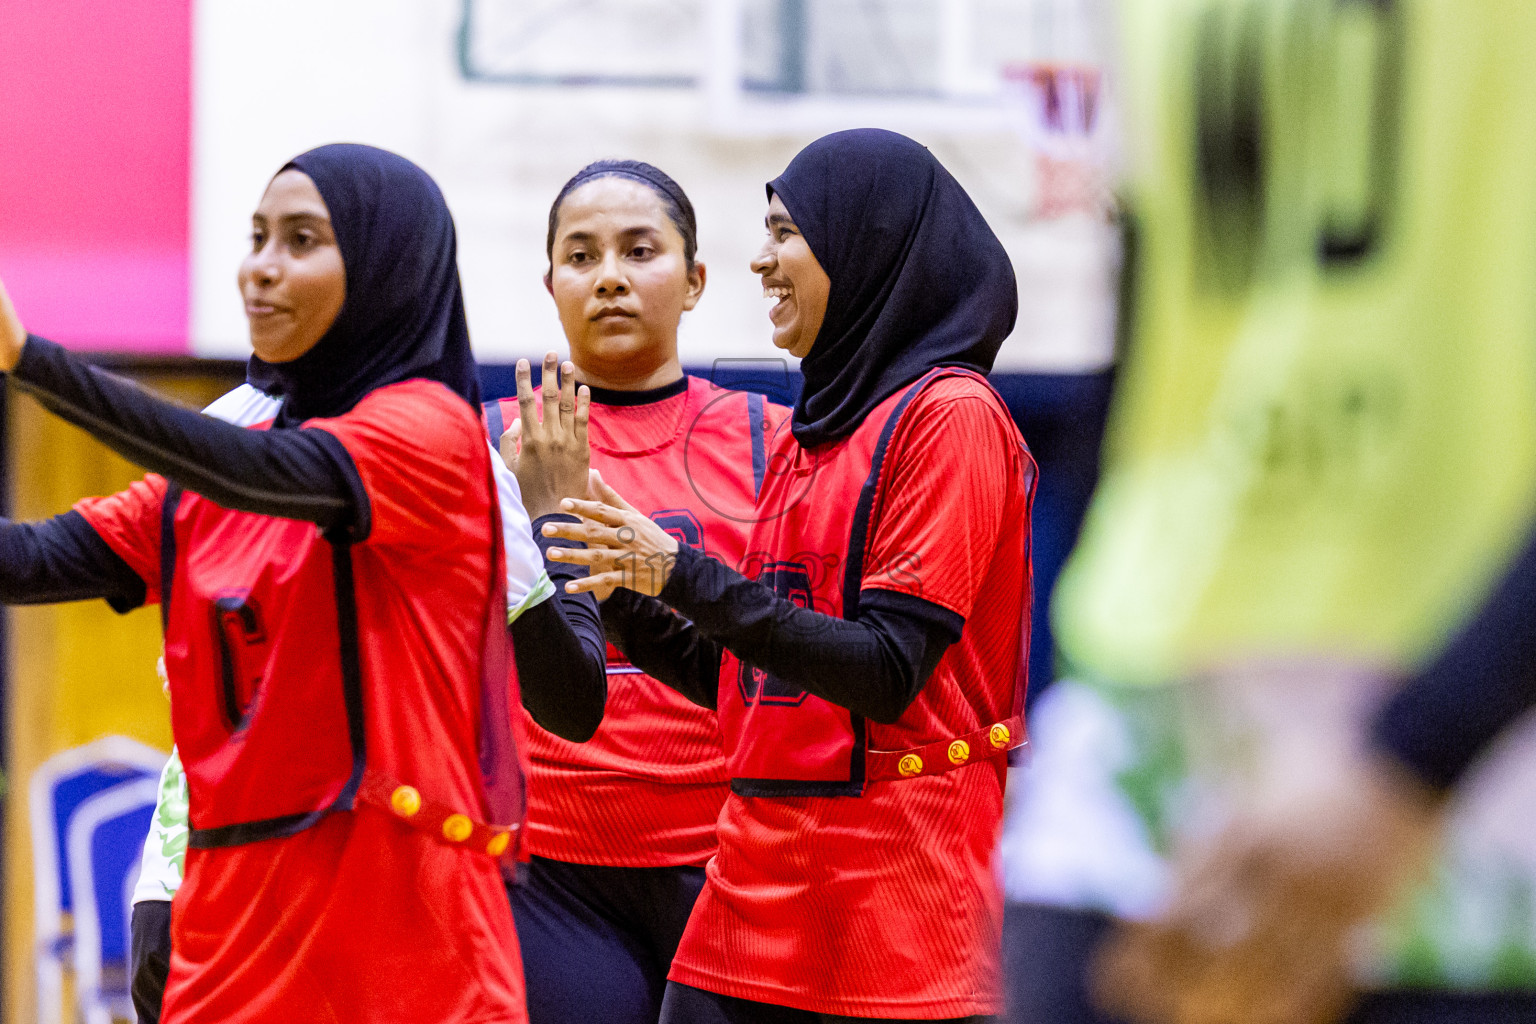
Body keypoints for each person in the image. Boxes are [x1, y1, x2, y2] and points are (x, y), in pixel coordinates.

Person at [0, 143, 602, 1023]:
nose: (262, 269)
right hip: (228, 919)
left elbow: (273, 475)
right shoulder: (228, 445)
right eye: (256, 237)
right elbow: (35, 558)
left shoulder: (429, 435)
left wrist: (28, 359)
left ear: (385, 267)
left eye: (302, 239)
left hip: (399, 920)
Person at [535, 129, 1038, 1022]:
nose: (761, 261)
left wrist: (676, 570)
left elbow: (885, 670)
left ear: (864, 244)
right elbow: (742, 680)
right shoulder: (820, 435)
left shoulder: (950, 416)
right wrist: (616, 582)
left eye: (786, 232)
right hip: (755, 881)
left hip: (893, 893)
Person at [488, 159, 787, 1024]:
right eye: (581, 255)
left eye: (639, 250)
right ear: (551, 284)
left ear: (694, 282)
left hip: (732, 857)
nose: (610, 275)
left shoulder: (772, 442)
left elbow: (791, 641)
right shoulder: (488, 444)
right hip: (549, 870)